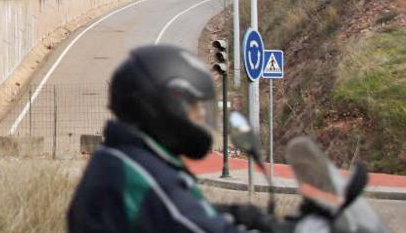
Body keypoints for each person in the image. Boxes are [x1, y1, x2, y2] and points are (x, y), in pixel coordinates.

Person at [67, 44, 283, 232]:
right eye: (194, 110)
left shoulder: (120, 157)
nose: (199, 119)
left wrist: (233, 213)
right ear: (165, 106)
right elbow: (187, 220)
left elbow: (164, 214)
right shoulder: (141, 175)